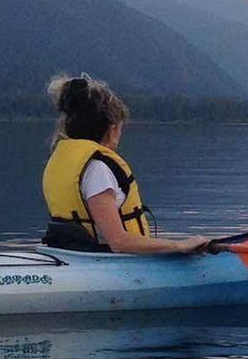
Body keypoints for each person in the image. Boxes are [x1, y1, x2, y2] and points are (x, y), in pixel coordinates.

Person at [41, 74, 209, 254]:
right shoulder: (98, 169)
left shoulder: (65, 159)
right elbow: (119, 242)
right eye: (121, 129)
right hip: (107, 264)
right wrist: (180, 246)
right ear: (112, 130)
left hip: (70, 256)